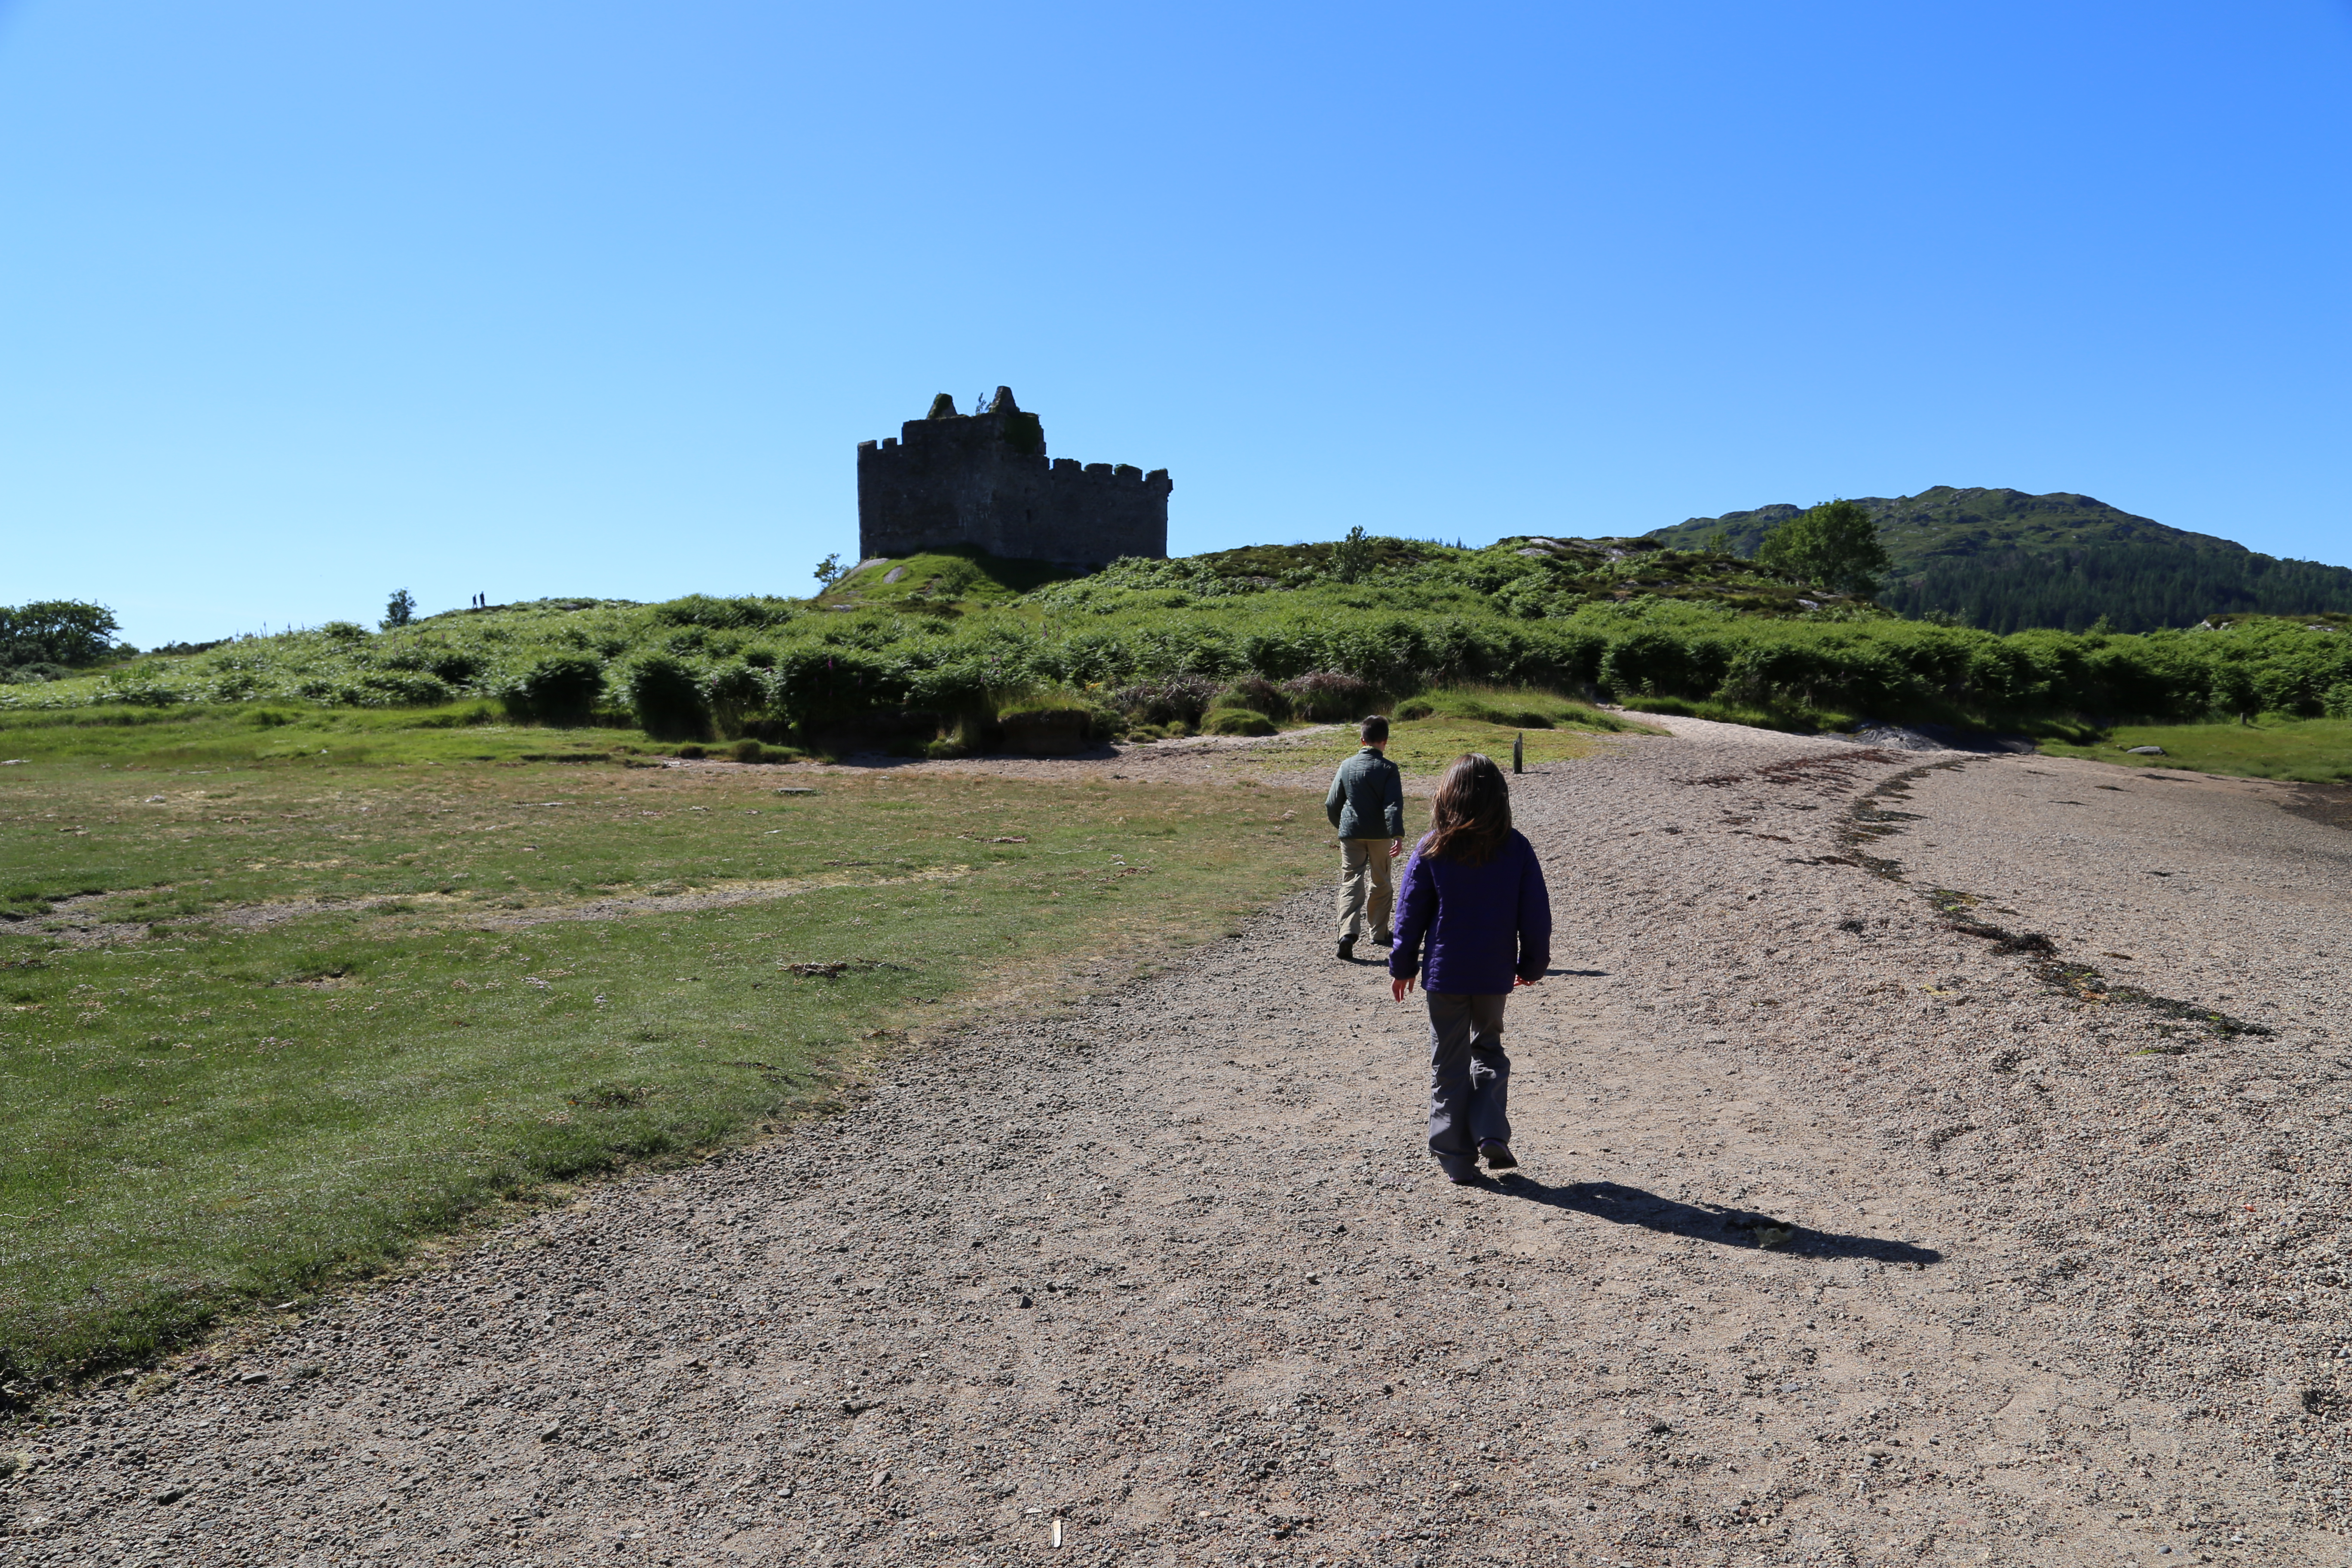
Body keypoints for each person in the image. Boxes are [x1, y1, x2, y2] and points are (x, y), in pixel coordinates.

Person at [1387, 753, 1552, 1185]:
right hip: (1493, 973)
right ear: (1499, 799)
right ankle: (1491, 1131)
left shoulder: (1432, 846)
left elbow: (1409, 914)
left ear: (1448, 797)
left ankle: (1456, 1157)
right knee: (1489, 1051)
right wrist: (1532, 963)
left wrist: (1403, 964)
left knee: (1449, 1063)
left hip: (1446, 974)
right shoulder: (1516, 847)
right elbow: (1535, 913)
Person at [1324, 715, 1405, 960]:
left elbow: (1331, 803)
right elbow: (1392, 805)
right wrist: (1397, 834)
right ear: (1385, 741)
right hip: (1380, 835)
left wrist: (1343, 828)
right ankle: (1379, 932)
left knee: (1351, 881)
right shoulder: (1389, 769)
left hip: (1351, 834)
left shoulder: (1346, 765)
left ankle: (1347, 934)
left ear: (1362, 740)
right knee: (1381, 881)